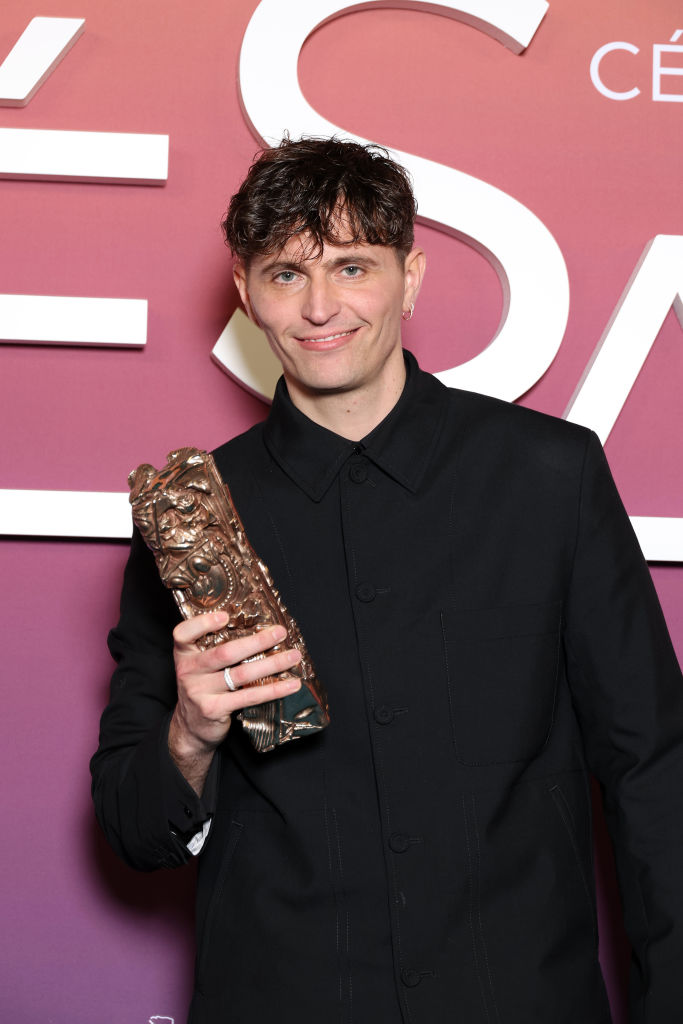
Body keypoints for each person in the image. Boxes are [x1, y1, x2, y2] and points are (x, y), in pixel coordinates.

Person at [91, 137, 683, 1024]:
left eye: (352, 267)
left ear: (408, 279)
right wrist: (190, 733)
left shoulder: (549, 477)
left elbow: (652, 770)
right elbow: (135, 831)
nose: (320, 305)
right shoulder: (189, 518)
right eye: (286, 274)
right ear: (246, 294)